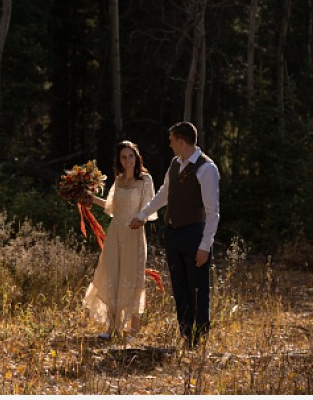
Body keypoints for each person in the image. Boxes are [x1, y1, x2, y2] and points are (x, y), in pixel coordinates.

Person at [130, 121, 220, 348]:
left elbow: (213, 212)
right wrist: (143, 214)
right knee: (179, 285)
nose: (170, 145)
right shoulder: (175, 164)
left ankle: (199, 337)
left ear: (181, 141)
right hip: (173, 233)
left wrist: (205, 245)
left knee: (197, 287)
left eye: (171, 141)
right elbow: (164, 194)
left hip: (194, 234)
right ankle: (185, 333)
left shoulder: (206, 169)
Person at [82, 140, 157, 339]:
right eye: (124, 157)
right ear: (119, 160)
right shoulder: (119, 179)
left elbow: (149, 209)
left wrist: (140, 219)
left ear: (137, 157)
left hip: (134, 233)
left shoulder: (146, 180)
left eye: (131, 156)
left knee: (133, 278)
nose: (128, 160)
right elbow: (111, 208)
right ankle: (112, 328)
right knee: (112, 274)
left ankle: (132, 332)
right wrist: (91, 198)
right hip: (115, 233)